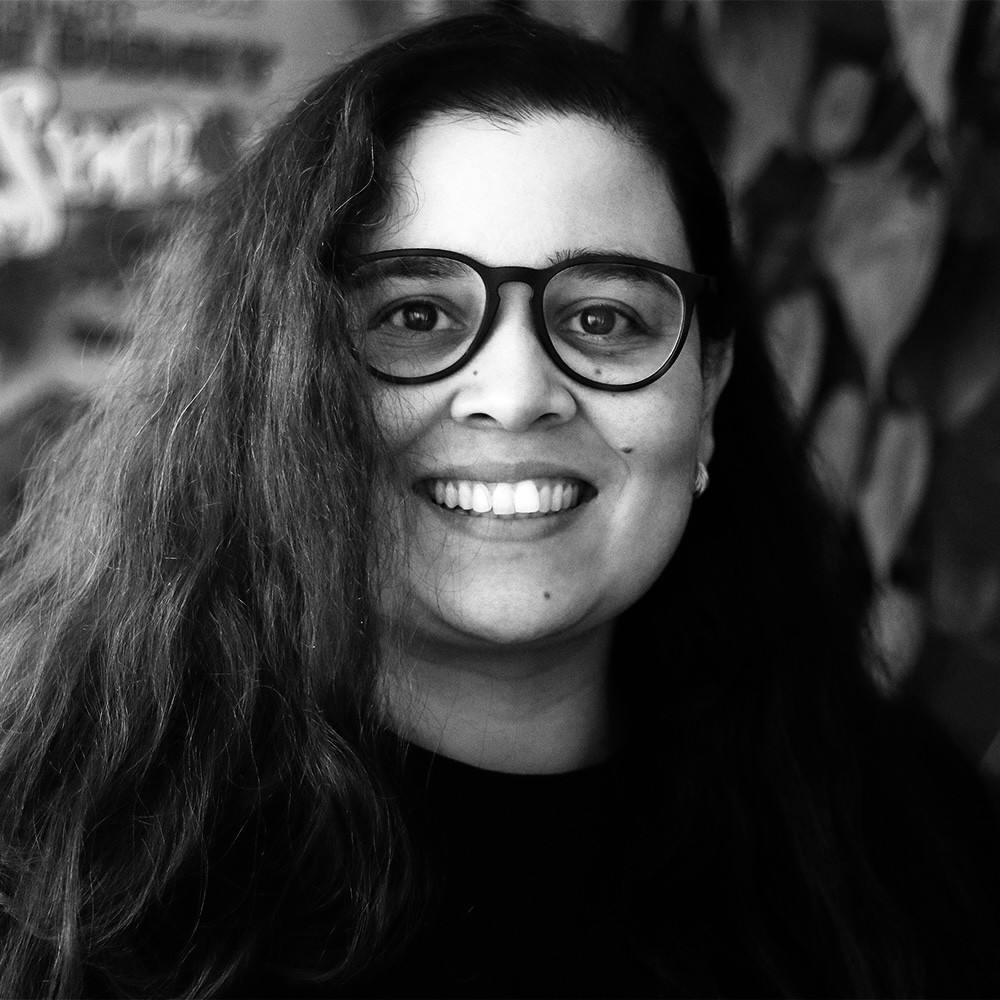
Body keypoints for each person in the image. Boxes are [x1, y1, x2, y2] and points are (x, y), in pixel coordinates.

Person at [0, 9, 997, 999]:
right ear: (274, 378)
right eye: (415, 314)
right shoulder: (44, 869)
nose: (517, 395)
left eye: (602, 317)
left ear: (708, 393)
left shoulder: (908, 848)